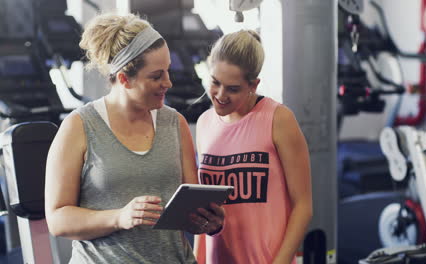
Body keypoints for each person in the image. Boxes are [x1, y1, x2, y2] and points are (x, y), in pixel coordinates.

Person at [44, 13, 225, 264]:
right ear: (124, 79)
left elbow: (188, 217)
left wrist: (207, 222)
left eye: (168, 71)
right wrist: (119, 217)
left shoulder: (174, 123)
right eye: (156, 76)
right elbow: (57, 219)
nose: (168, 83)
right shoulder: (79, 127)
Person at [194, 30, 313, 264]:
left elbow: (303, 207)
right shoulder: (204, 123)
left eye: (233, 88)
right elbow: (202, 210)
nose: (220, 95)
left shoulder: (278, 119)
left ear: (253, 85)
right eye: (215, 83)